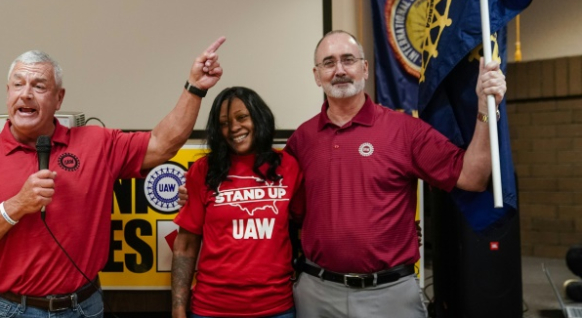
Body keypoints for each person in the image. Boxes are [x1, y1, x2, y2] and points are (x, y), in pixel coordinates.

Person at [0, 37, 225, 318]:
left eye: (39, 86)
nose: (26, 94)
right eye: (18, 84)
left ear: (59, 98)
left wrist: (195, 87)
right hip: (9, 309)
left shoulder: (97, 143)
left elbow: (163, 144)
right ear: (7, 93)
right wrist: (15, 206)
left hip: (83, 308)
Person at [287, 30, 507, 317]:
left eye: (348, 60)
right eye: (328, 63)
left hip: (389, 295)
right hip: (317, 294)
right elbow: (287, 210)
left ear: (364, 68)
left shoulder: (405, 131)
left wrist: (484, 108)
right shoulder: (302, 140)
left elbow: (471, 177)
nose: (339, 70)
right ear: (317, 75)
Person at [171, 86, 304, 318]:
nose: (233, 128)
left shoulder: (288, 166)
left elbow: (304, 226)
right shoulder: (203, 171)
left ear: (259, 117)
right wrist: (178, 309)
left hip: (276, 307)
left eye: (242, 117)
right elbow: (185, 246)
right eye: (224, 123)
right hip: (212, 308)